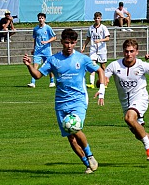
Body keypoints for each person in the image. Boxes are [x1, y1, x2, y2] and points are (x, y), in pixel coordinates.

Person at [23, 28, 106, 174]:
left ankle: (90, 155)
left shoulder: (82, 59)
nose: (69, 46)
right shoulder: (53, 60)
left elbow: (99, 70)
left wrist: (101, 85)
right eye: (67, 42)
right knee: (71, 138)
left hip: (78, 100)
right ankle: (87, 164)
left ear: (75, 43)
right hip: (61, 103)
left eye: (72, 43)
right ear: (62, 42)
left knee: (75, 127)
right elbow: (37, 76)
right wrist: (29, 65)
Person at [100, 39, 149, 165]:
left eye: (132, 51)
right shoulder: (115, 65)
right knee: (139, 133)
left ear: (137, 52)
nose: (129, 54)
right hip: (125, 103)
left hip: (140, 98)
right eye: (126, 51)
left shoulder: (142, 65)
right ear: (123, 52)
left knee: (129, 118)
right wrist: (102, 85)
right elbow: (103, 78)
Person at [81, 12, 110, 89]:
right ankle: (91, 83)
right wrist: (84, 47)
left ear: (100, 19)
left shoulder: (103, 27)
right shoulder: (91, 28)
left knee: (103, 66)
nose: (97, 20)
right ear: (94, 19)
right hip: (93, 49)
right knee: (92, 65)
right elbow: (88, 38)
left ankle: (104, 82)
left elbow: (107, 38)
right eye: (96, 18)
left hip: (102, 49)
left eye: (98, 18)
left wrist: (100, 40)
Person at [27, 13, 56, 88]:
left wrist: (47, 42)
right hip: (38, 51)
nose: (41, 19)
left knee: (50, 66)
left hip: (46, 51)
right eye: (39, 18)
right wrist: (34, 48)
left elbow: (54, 37)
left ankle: (52, 81)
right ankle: (33, 82)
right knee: (35, 65)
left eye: (42, 18)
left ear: (45, 19)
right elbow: (35, 39)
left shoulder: (48, 28)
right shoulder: (35, 29)